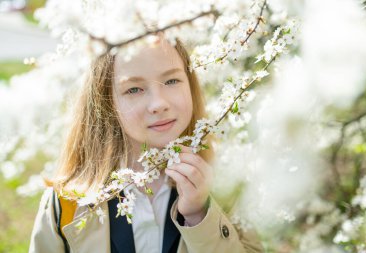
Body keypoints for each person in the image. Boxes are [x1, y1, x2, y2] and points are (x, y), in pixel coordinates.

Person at [29, 35, 263, 253]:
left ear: (190, 84)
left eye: (171, 80)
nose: (158, 103)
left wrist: (200, 215)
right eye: (134, 89)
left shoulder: (225, 185)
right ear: (106, 102)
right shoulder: (66, 203)